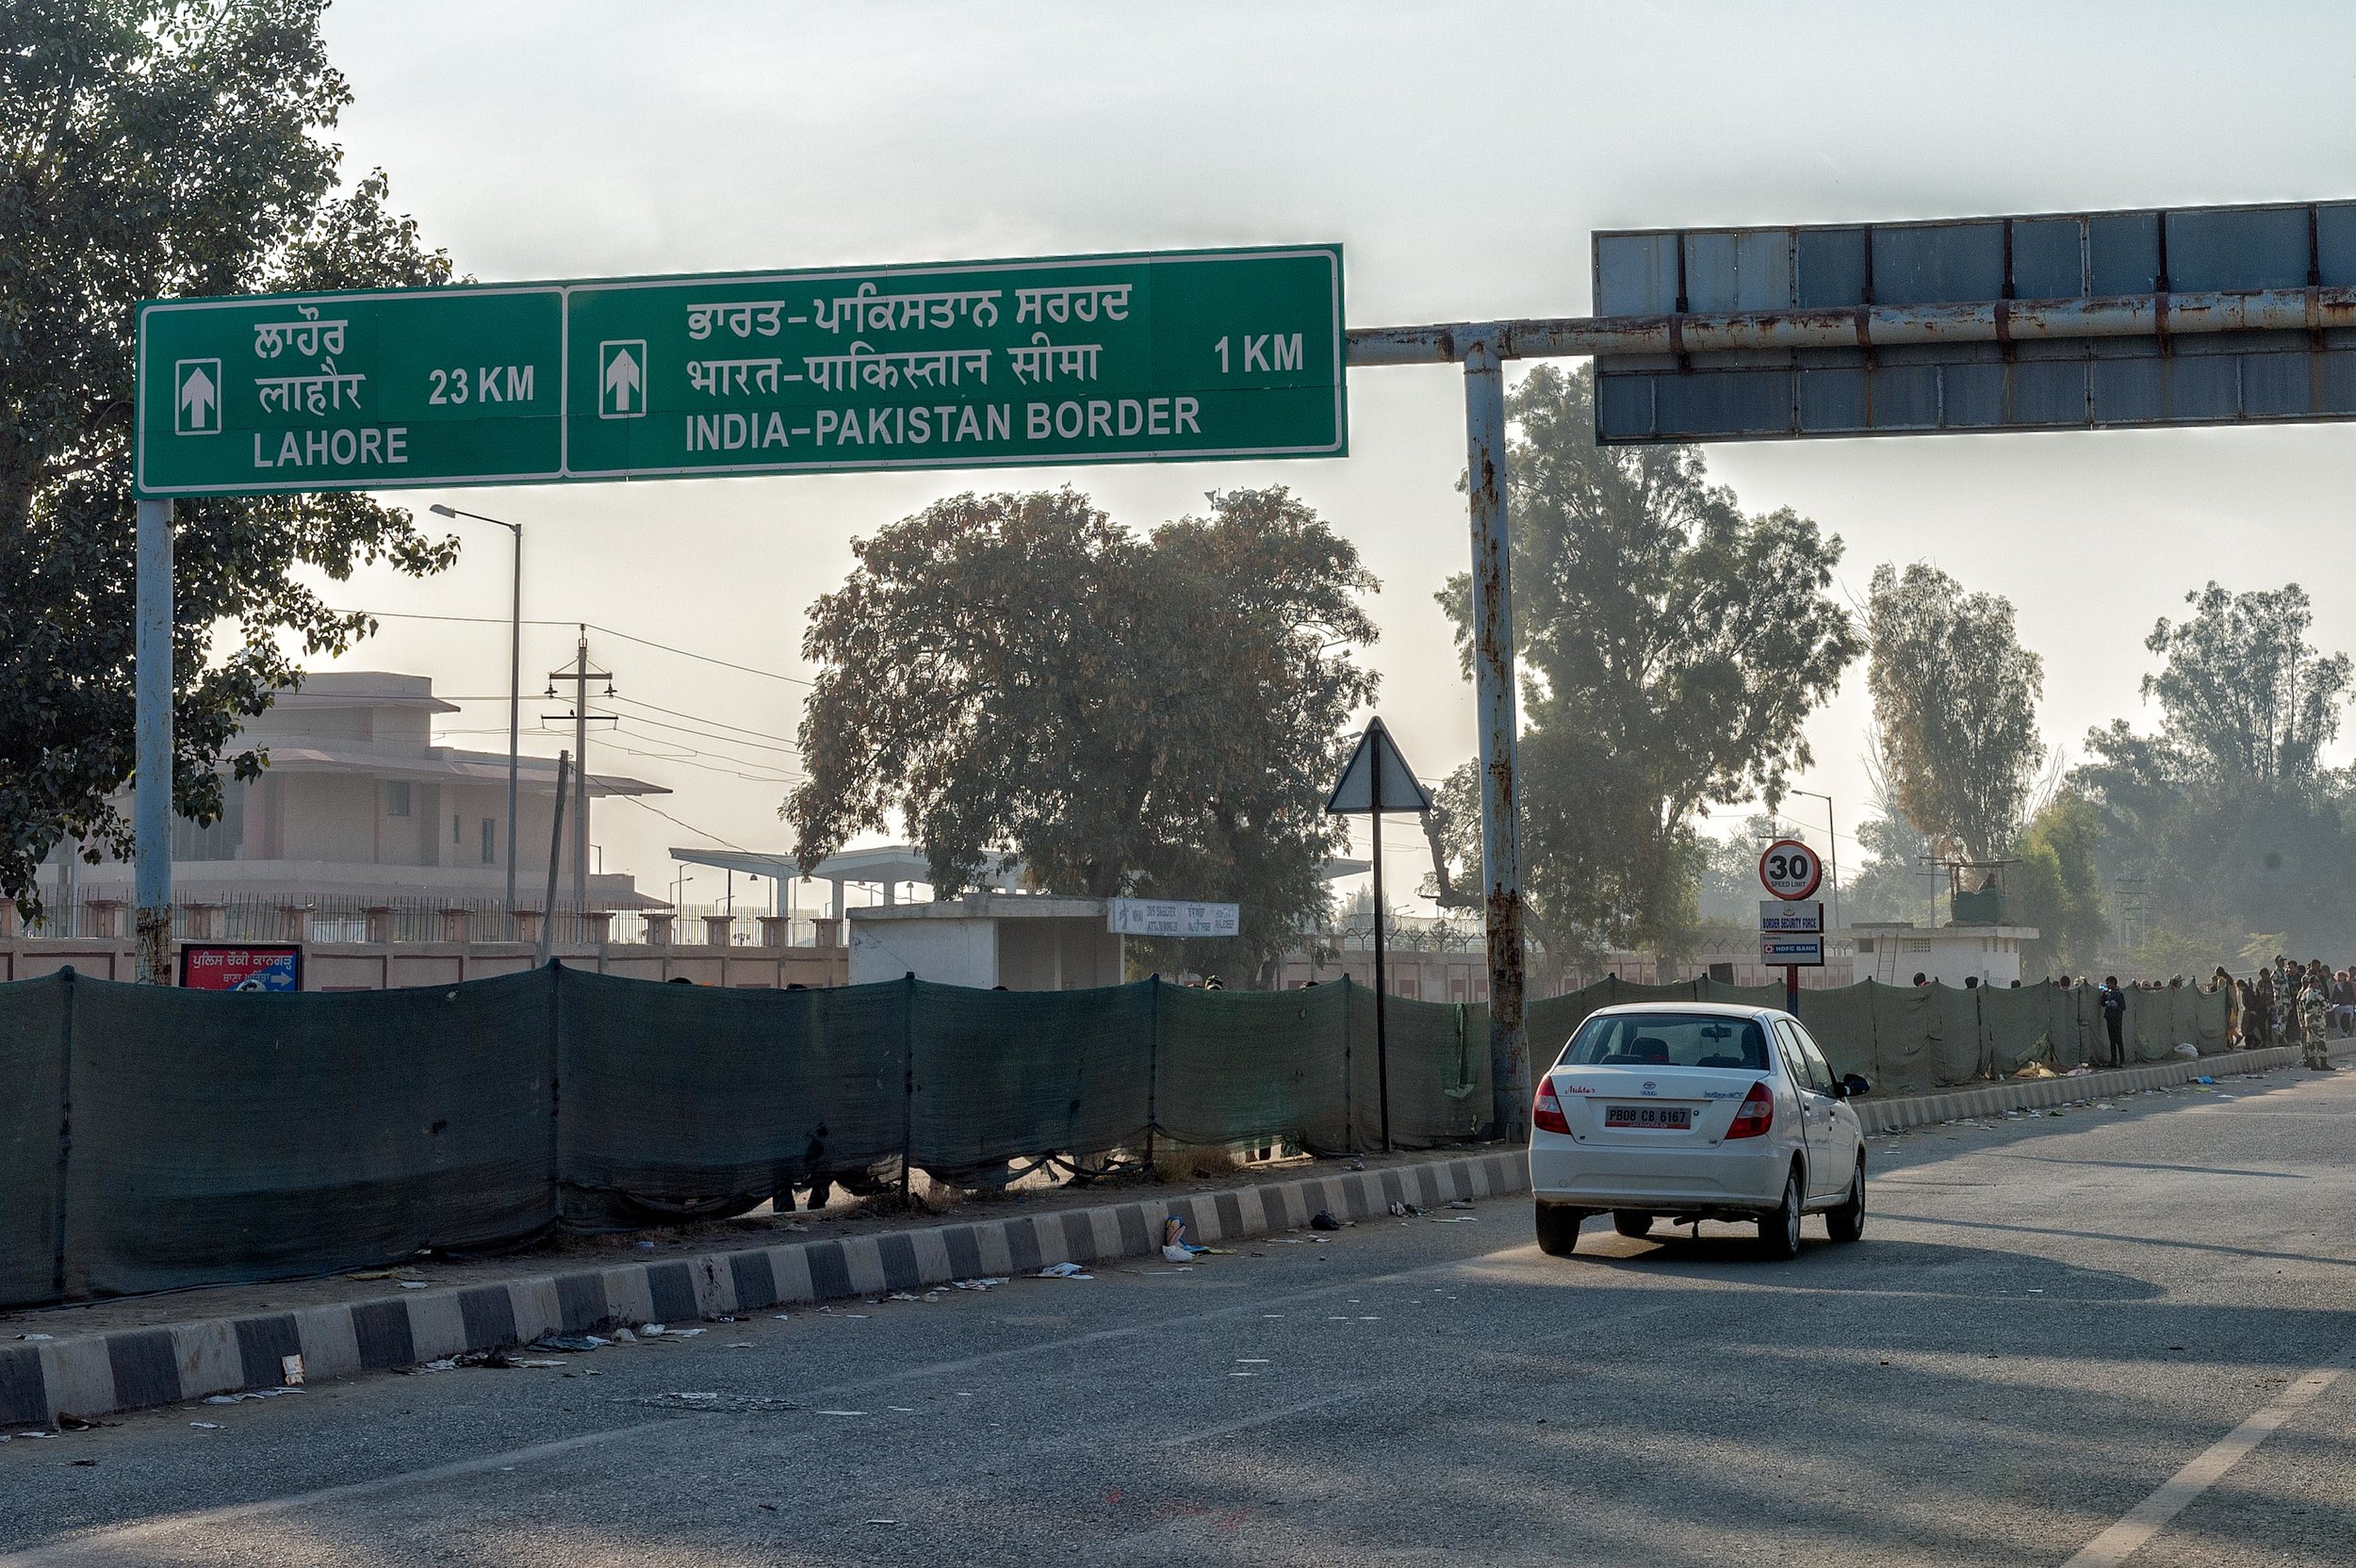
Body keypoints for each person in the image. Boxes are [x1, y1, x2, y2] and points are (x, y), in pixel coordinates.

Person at [2299, 969, 2333, 1070]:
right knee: (2321, 1040)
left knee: (2311, 1041)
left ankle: (2313, 1063)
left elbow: (2301, 1007)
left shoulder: (2304, 994)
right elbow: (2325, 1005)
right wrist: (2330, 1006)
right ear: (2314, 983)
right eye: (2317, 983)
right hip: (2317, 1019)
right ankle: (2323, 1063)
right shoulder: (2316, 992)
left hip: (2307, 1019)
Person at [2099, 975, 2127, 1066]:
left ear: (2113, 983)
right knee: (2112, 1040)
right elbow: (2102, 1004)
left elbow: (2123, 1007)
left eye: (2109, 983)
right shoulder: (2108, 993)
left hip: (2117, 1018)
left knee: (2118, 1039)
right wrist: (2103, 996)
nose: (2107, 985)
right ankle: (2113, 1060)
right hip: (2109, 1018)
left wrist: (2116, 1005)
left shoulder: (2119, 994)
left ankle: (2122, 1060)